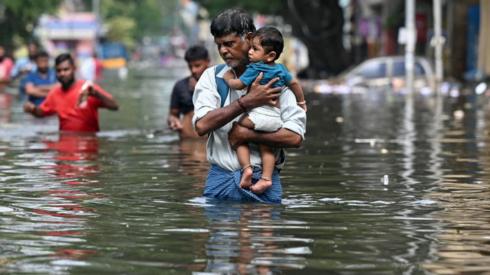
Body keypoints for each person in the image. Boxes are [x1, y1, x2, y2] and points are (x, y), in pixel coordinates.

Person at [192, 9, 306, 203]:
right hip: (220, 181)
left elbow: (295, 137)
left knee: (263, 232)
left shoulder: (278, 78)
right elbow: (202, 126)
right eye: (219, 45)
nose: (223, 51)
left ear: (249, 38)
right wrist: (247, 102)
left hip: (265, 183)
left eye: (229, 44)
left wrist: (248, 135)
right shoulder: (213, 77)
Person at [222, 26, 306, 193]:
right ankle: (266, 178)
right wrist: (302, 102)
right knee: (266, 145)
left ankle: (246, 169)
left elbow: (239, 84)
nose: (250, 52)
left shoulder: (254, 69)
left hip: (257, 116)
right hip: (275, 118)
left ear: (270, 55)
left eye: (255, 49)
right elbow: (295, 84)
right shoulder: (282, 70)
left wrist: (228, 78)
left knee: (237, 131)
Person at [24, 53, 119, 132]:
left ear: (74, 69)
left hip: (88, 147)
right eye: (59, 71)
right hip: (64, 146)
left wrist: (97, 94)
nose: (62, 73)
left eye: (66, 69)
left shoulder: (87, 88)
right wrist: (32, 109)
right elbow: (41, 112)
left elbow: (115, 106)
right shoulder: (55, 93)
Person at [168, 45, 210, 139]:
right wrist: (173, 121)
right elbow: (173, 115)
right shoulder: (180, 86)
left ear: (207, 62)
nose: (193, 70)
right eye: (190, 66)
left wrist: (201, 90)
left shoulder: (219, 83)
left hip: (211, 142)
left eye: (197, 66)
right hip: (187, 140)